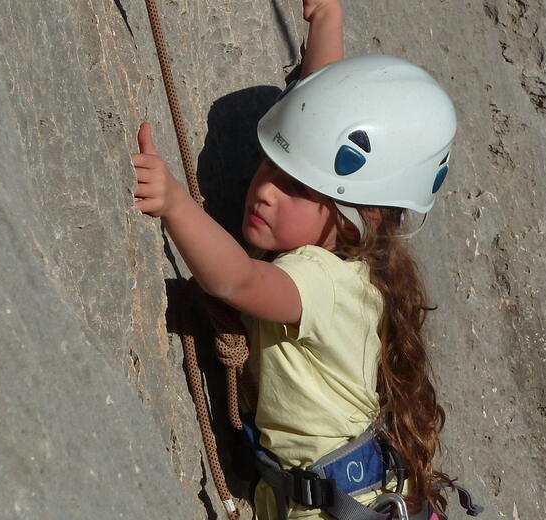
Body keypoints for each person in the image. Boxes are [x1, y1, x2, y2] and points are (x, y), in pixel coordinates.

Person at [131, 1, 463, 519]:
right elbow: (318, 111)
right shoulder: (349, 257)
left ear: (359, 216)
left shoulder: (321, 280)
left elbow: (238, 282)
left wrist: (175, 204)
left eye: (295, 186)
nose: (265, 189)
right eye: (270, 164)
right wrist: (327, 21)